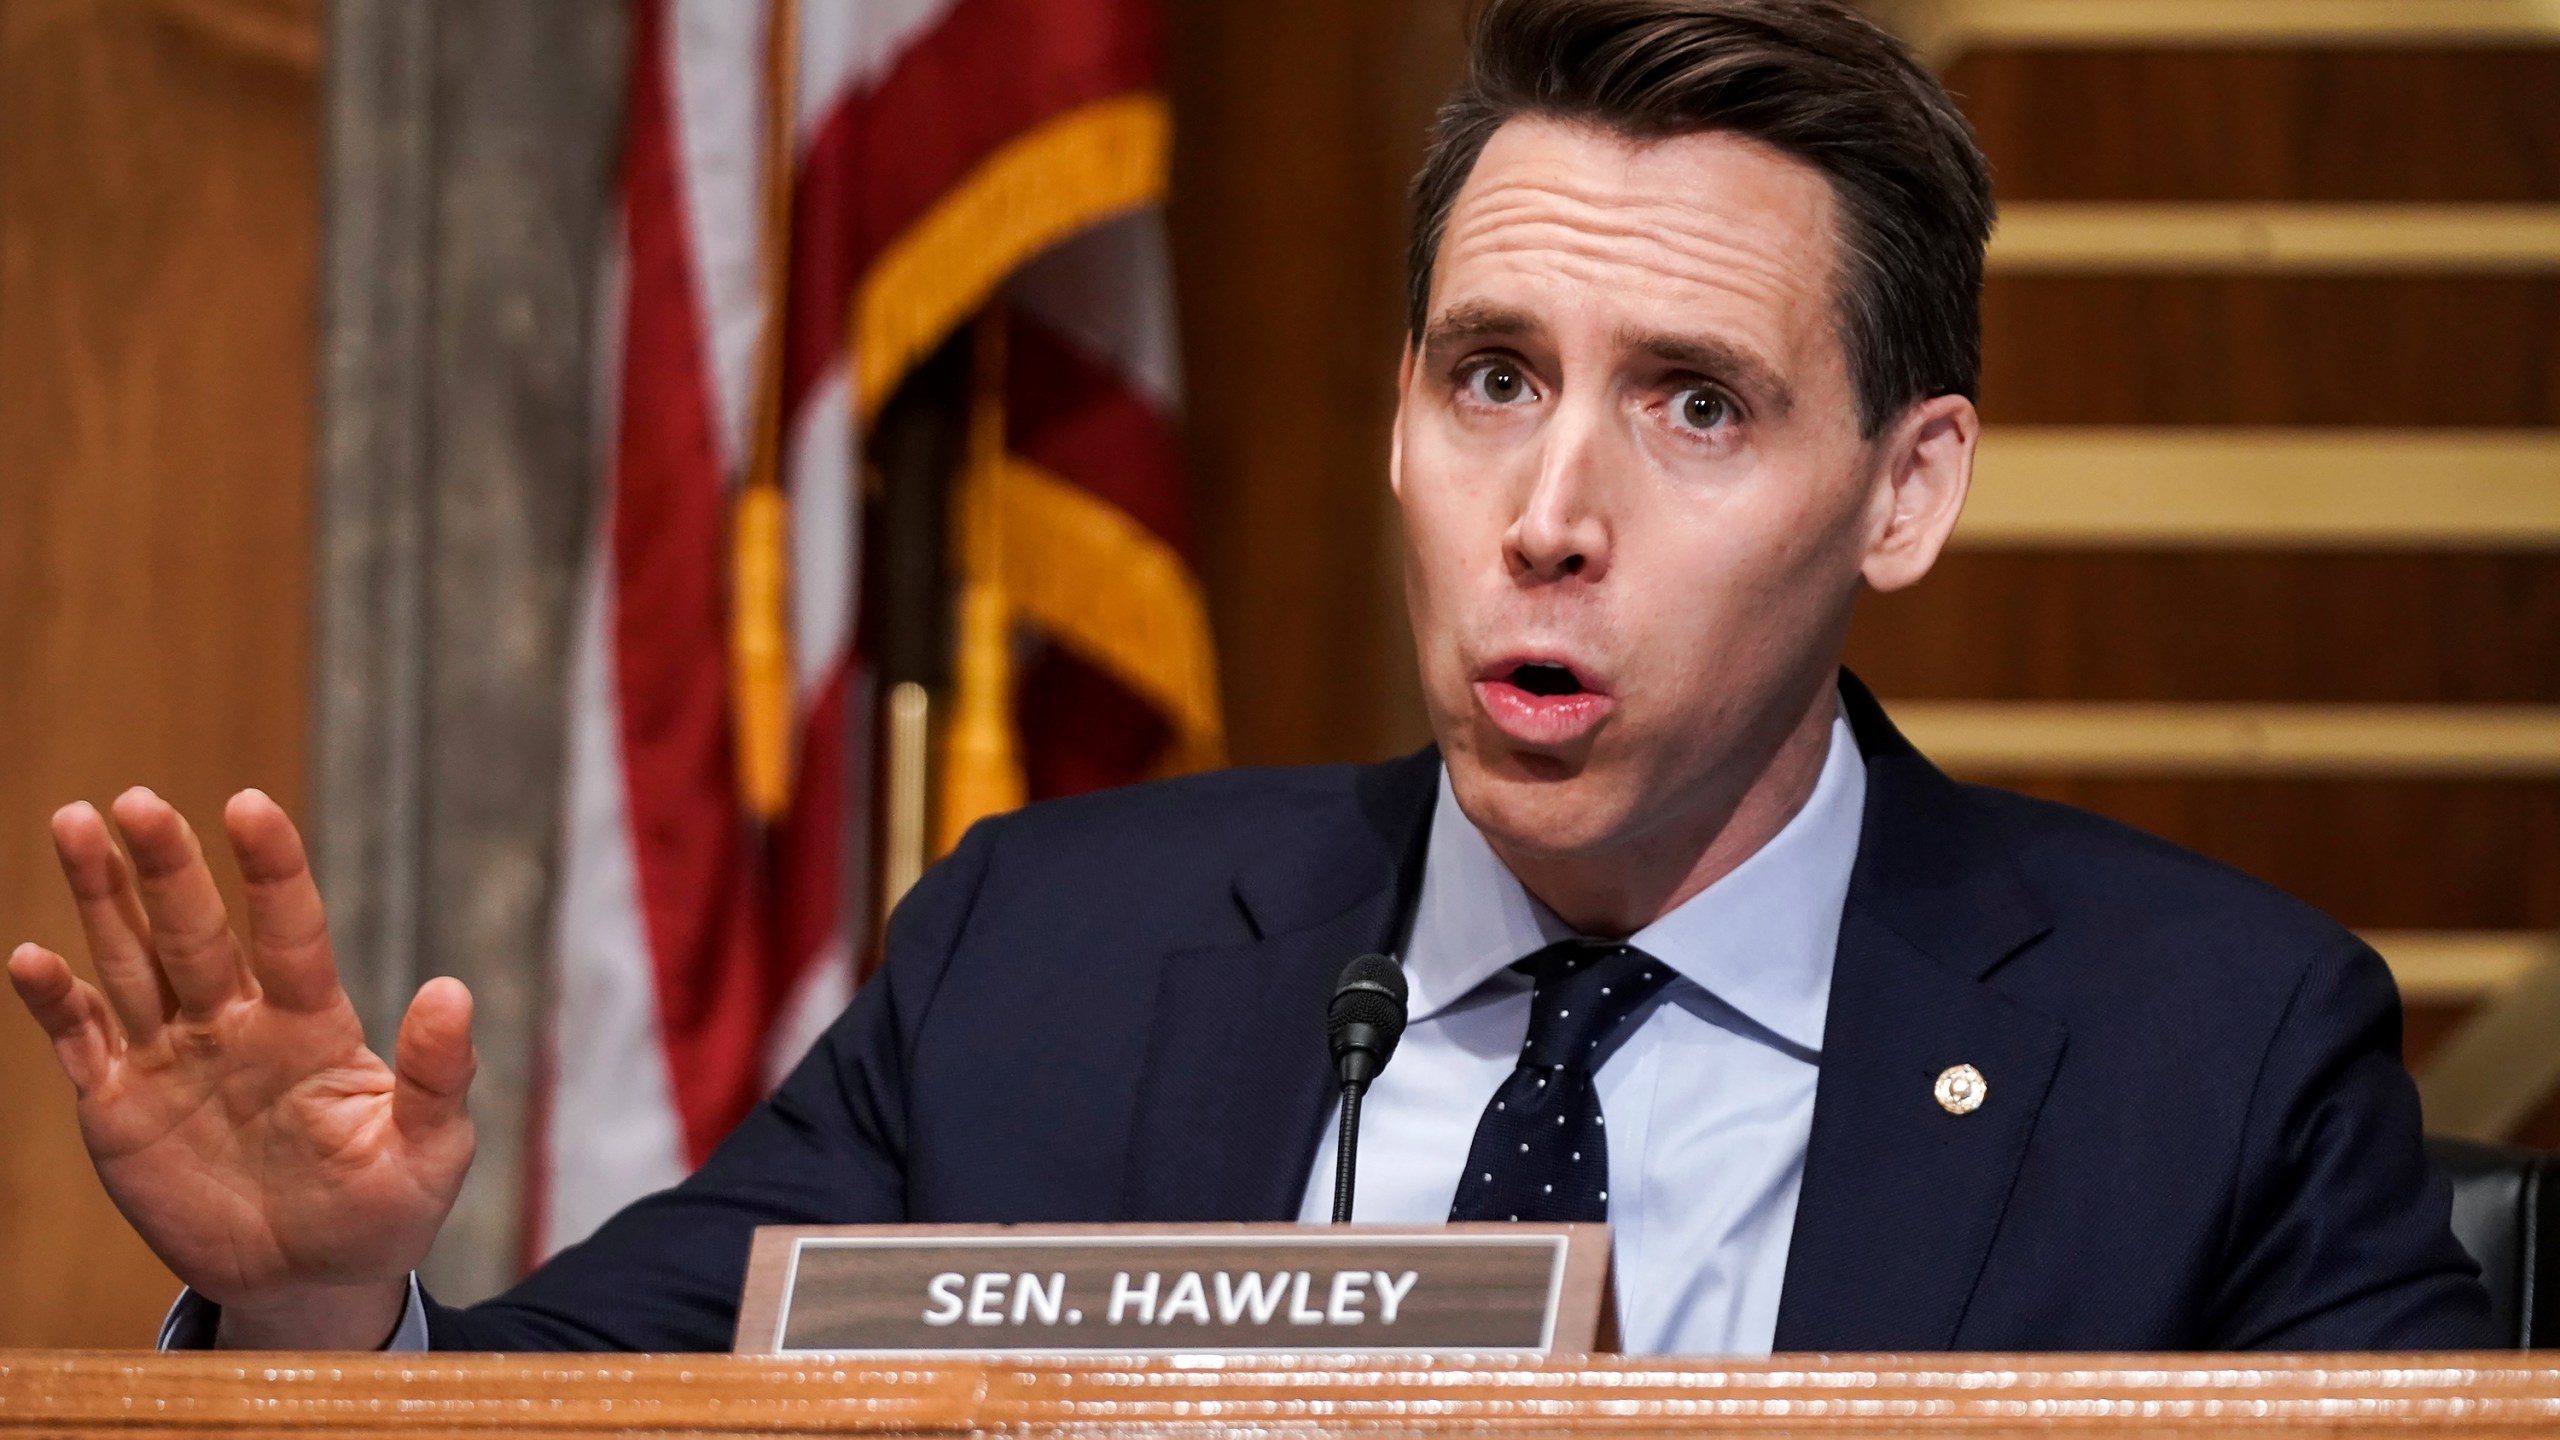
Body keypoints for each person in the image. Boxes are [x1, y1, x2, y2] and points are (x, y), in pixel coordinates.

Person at [8, 0, 2493, 1354]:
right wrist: (330, 1313)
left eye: (1695, 404)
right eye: (1490, 374)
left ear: (1905, 488)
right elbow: (612, 1420)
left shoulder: (2211, 1053)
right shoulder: (1047, 963)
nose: (1549, 512)